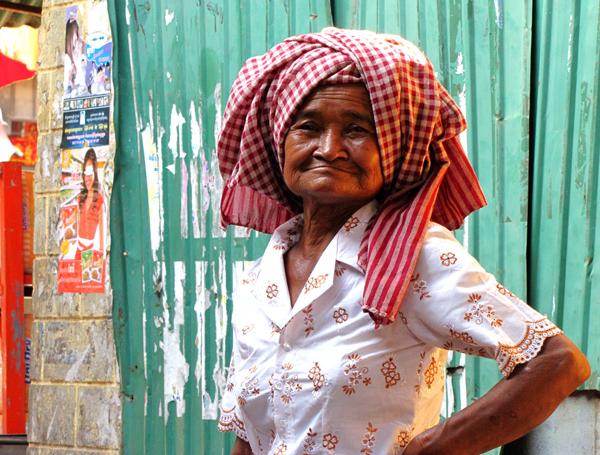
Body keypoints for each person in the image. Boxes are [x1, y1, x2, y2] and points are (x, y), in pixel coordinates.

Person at [216, 28, 590, 455]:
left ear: (393, 149)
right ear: (280, 142)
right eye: (308, 126)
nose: (329, 148)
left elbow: (557, 363)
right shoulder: (261, 278)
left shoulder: (411, 257)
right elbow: (251, 437)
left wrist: (427, 450)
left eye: (357, 130)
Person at [77, 149, 104, 254]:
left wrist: (101, 254)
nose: (87, 178)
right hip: (78, 250)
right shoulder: (80, 199)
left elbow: (102, 231)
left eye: (90, 173)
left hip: (92, 251)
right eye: (85, 173)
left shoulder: (99, 201)